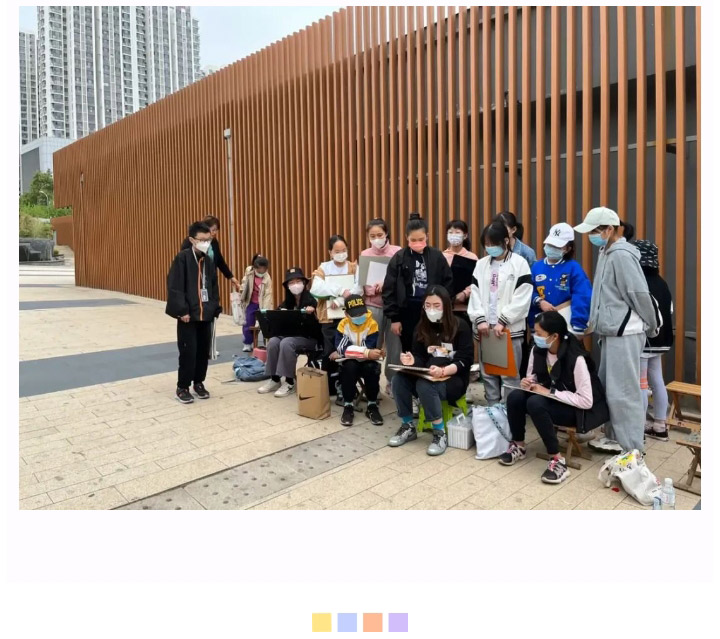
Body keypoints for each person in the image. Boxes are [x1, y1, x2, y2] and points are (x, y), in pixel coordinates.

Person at [574, 206, 660, 454]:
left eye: (594, 231)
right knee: (611, 389)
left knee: (624, 392)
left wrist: (651, 324)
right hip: (613, 331)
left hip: (624, 332)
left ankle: (632, 449)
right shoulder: (607, 252)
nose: (590, 236)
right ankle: (615, 438)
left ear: (609, 229)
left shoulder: (621, 255)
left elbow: (638, 293)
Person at [502, 311, 609, 483]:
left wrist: (550, 393)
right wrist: (528, 383)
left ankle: (557, 461)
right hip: (552, 399)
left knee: (536, 403)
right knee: (515, 397)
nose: (535, 337)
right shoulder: (538, 350)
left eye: (539, 333)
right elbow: (533, 377)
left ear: (554, 336)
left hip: (578, 410)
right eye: (534, 332)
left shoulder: (576, 358)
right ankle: (518, 446)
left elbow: (586, 401)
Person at [388, 285, 474, 456]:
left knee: (424, 385)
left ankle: (439, 432)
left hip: (454, 378)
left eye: (436, 305)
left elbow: (465, 360)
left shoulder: (460, 326)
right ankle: (407, 425)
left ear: (446, 306)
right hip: (428, 374)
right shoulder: (422, 326)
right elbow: (420, 355)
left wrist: (444, 371)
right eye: (427, 305)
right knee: (398, 380)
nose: (431, 310)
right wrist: (412, 361)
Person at [467, 221, 533, 404]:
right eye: (486, 244)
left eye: (493, 243)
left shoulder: (519, 264)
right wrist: (480, 319)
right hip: (485, 329)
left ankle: (510, 411)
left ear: (506, 240)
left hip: (509, 330)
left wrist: (503, 320)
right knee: (488, 373)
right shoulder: (481, 265)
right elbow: (475, 293)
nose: (490, 247)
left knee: (509, 375)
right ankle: (493, 408)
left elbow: (522, 296)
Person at [166, 221, 221, 404]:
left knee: (202, 351)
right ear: (192, 240)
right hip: (188, 316)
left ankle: (198, 382)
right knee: (188, 352)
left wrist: (214, 307)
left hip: (206, 315)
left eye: (208, 240)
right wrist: (182, 310)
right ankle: (182, 387)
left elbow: (213, 287)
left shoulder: (209, 261)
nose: (206, 243)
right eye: (202, 240)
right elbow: (175, 286)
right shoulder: (182, 259)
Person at [383, 212, 454, 353]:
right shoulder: (399, 258)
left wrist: (445, 307)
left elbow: (448, 283)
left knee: (436, 347)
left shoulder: (437, 256)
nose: (417, 243)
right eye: (413, 240)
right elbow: (389, 289)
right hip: (407, 311)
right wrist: (394, 318)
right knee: (410, 349)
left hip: (433, 309)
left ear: (427, 236)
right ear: (406, 238)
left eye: (421, 239)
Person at [310, 235, 361, 403]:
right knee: (330, 352)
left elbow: (358, 289)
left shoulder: (353, 267)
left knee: (349, 352)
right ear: (330, 252)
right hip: (329, 319)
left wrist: (340, 301)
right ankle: (331, 387)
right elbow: (316, 288)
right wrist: (339, 291)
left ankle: (348, 386)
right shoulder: (324, 268)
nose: (341, 254)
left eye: (344, 250)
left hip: (350, 317)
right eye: (337, 251)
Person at [258, 267, 320, 397]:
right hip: (289, 335)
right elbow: (277, 318)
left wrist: (312, 312)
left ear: (304, 282)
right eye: (291, 282)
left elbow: (318, 323)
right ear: (287, 286)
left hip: (309, 338)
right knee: (273, 342)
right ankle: (275, 379)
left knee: (286, 343)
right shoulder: (287, 301)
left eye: (298, 281)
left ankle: (289, 382)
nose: (295, 285)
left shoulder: (312, 300)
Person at [633, 240, 674, 442]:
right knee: (657, 380)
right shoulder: (662, 283)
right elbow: (670, 310)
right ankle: (660, 425)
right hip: (662, 340)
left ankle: (639, 428)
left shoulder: (640, 283)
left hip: (644, 340)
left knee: (641, 384)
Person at [360, 218, 402, 397]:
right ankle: (372, 384)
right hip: (372, 305)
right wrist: (372, 288)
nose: (377, 238)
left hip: (394, 306)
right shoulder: (365, 254)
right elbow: (362, 284)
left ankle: (392, 382)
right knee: (372, 344)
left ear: (387, 234)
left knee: (395, 347)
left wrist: (387, 284)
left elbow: (402, 278)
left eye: (380, 234)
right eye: (372, 236)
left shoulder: (397, 252)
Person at [329, 295, 384, 427]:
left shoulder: (372, 324)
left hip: (367, 361)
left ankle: (372, 405)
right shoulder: (343, 325)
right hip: (350, 361)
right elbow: (343, 348)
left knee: (371, 367)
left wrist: (365, 352)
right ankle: (348, 405)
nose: (359, 316)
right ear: (346, 314)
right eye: (355, 314)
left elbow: (370, 346)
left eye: (361, 313)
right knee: (349, 367)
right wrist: (365, 353)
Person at [529, 222, 592, 337]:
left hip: (566, 326)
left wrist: (578, 325)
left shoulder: (573, 268)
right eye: (550, 244)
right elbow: (529, 291)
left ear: (568, 249)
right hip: (541, 326)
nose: (552, 248)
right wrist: (539, 301)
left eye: (557, 246)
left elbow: (582, 295)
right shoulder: (537, 267)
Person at [180, 215, 241, 290]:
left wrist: (231, 277)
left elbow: (220, 261)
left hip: (210, 278)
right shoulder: (190, 241)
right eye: (213, 230)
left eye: (216, 230)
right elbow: (184, 261)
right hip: (195, 279)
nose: (215, 232)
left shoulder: (214, 242)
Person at [443, 219, 479, 326]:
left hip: (466, 308)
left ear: (465, 235)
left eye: (457, 232)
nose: (453, 235)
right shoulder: (441, 256)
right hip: (446, 308)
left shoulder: (472, 257)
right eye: (450, 232)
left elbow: (477, 281)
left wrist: (465, 293)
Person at [238, 254, 273, 352]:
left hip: (262, 303)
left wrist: (265, 309)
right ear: (255, 268)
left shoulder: (267, 278)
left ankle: (267, 343)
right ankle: (247, 343)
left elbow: (268, 294)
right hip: (251, 302)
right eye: (259, 270)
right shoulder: (249, 273)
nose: (261, 272)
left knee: (265, 323)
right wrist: (241, 292)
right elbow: (244, 283)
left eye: (264, 270)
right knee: (248, 322)